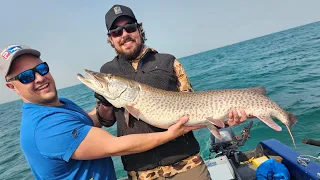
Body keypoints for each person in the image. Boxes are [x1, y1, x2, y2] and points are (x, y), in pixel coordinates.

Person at [0, 44, 205, 180]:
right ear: (12, 86)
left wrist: (102, 112)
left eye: (42, 69)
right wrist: (170, 134)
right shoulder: (45, 127)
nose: (39, 78)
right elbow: (115, 146)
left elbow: (86, 123)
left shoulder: (61, 105)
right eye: (26, 76)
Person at [96, 4, 250, 180]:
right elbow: (106, 120)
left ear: (139, 29)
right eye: (116, 32)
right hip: (140, 172)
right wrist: (105, 103)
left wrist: (226, 120)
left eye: (129, 28)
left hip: (186, 164)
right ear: (110, 38)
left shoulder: (168, 61)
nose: (124, 35)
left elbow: (195, 106)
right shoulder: (107, 71)